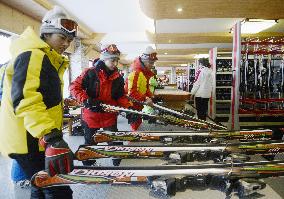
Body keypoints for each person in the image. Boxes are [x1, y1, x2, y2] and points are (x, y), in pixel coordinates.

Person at [0, 6, 78, 198]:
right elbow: (26, 100)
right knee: (58, 190)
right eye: (62, 38)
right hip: (28, 139)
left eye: (69, 40)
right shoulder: (34, 55)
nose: (66, 44)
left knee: (40, 186)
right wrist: (52, 137)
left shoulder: (46, 58)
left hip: (33, 137)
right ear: (47, 34)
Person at [70, 44, 132, 165]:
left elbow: (120, 96)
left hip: (109, 115)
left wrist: (128, 108)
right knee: (91, 142)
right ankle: (89, 164)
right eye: (112, 60)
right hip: (91, 115)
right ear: (104, 59)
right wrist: (86, 100)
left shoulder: (118, 78)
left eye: (116, 60)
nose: (115, 63)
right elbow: (74, 87)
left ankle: (119, 163)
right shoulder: (90, 73)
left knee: (114, 140)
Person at [126, 46, 158, 130]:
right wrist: (145, 98)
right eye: (150, 63)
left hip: (138, 104)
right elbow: (132, 93)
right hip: (132, 105)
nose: (152, 65)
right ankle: (134, 142)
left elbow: (145, 88)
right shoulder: (136, 73)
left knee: (139, 125)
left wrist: (151, 96)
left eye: (153, 63)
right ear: (145, 61)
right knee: (136, 128)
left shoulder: (144, 73)